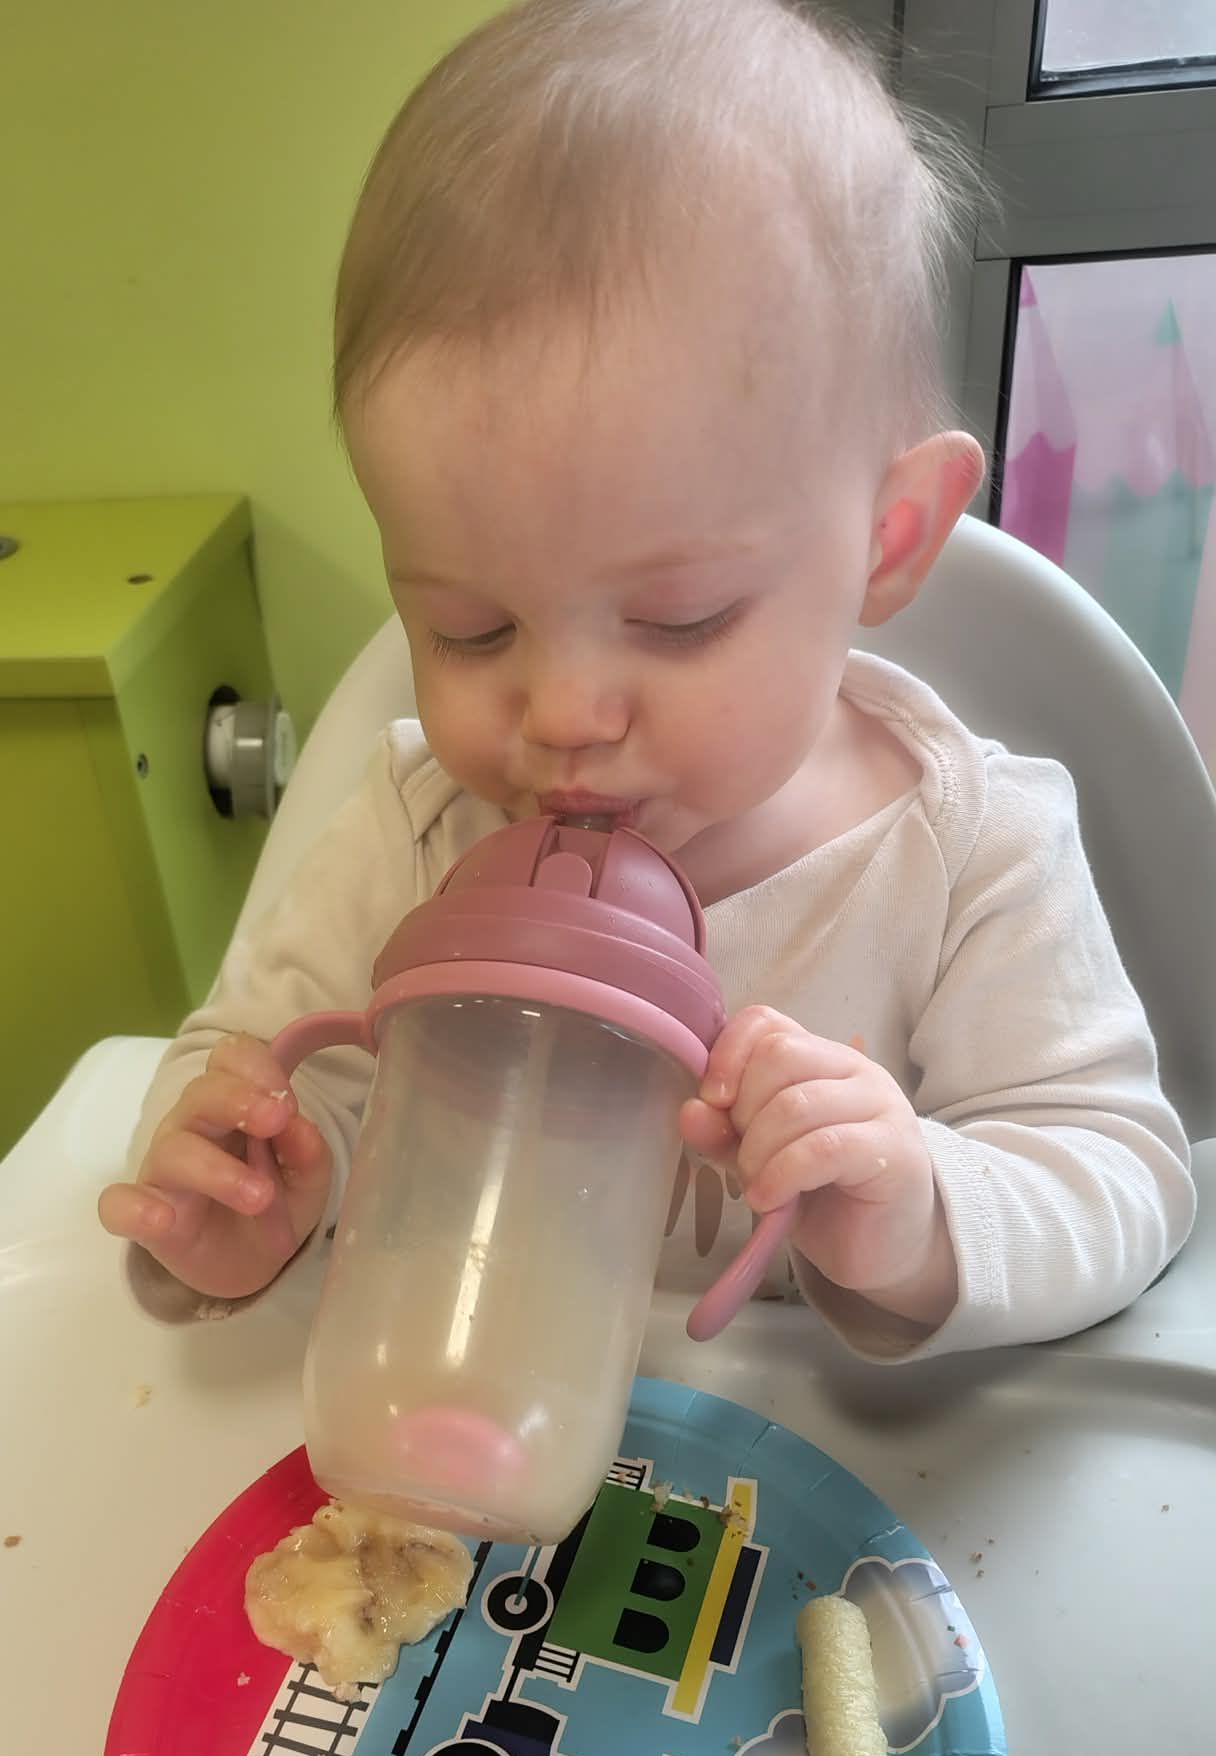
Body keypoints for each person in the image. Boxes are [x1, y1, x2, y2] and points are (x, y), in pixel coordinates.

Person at [99, 0, 1194, 1360]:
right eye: (471, 631)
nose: (562, 719)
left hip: (850, 1458)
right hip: (460, 1402)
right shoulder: (416, 832)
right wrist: (241, 1196)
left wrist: (922, 1215)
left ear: (889, 540)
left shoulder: (973, 856)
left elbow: (1124, 1175)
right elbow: (249, 1072)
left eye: (680, 621)